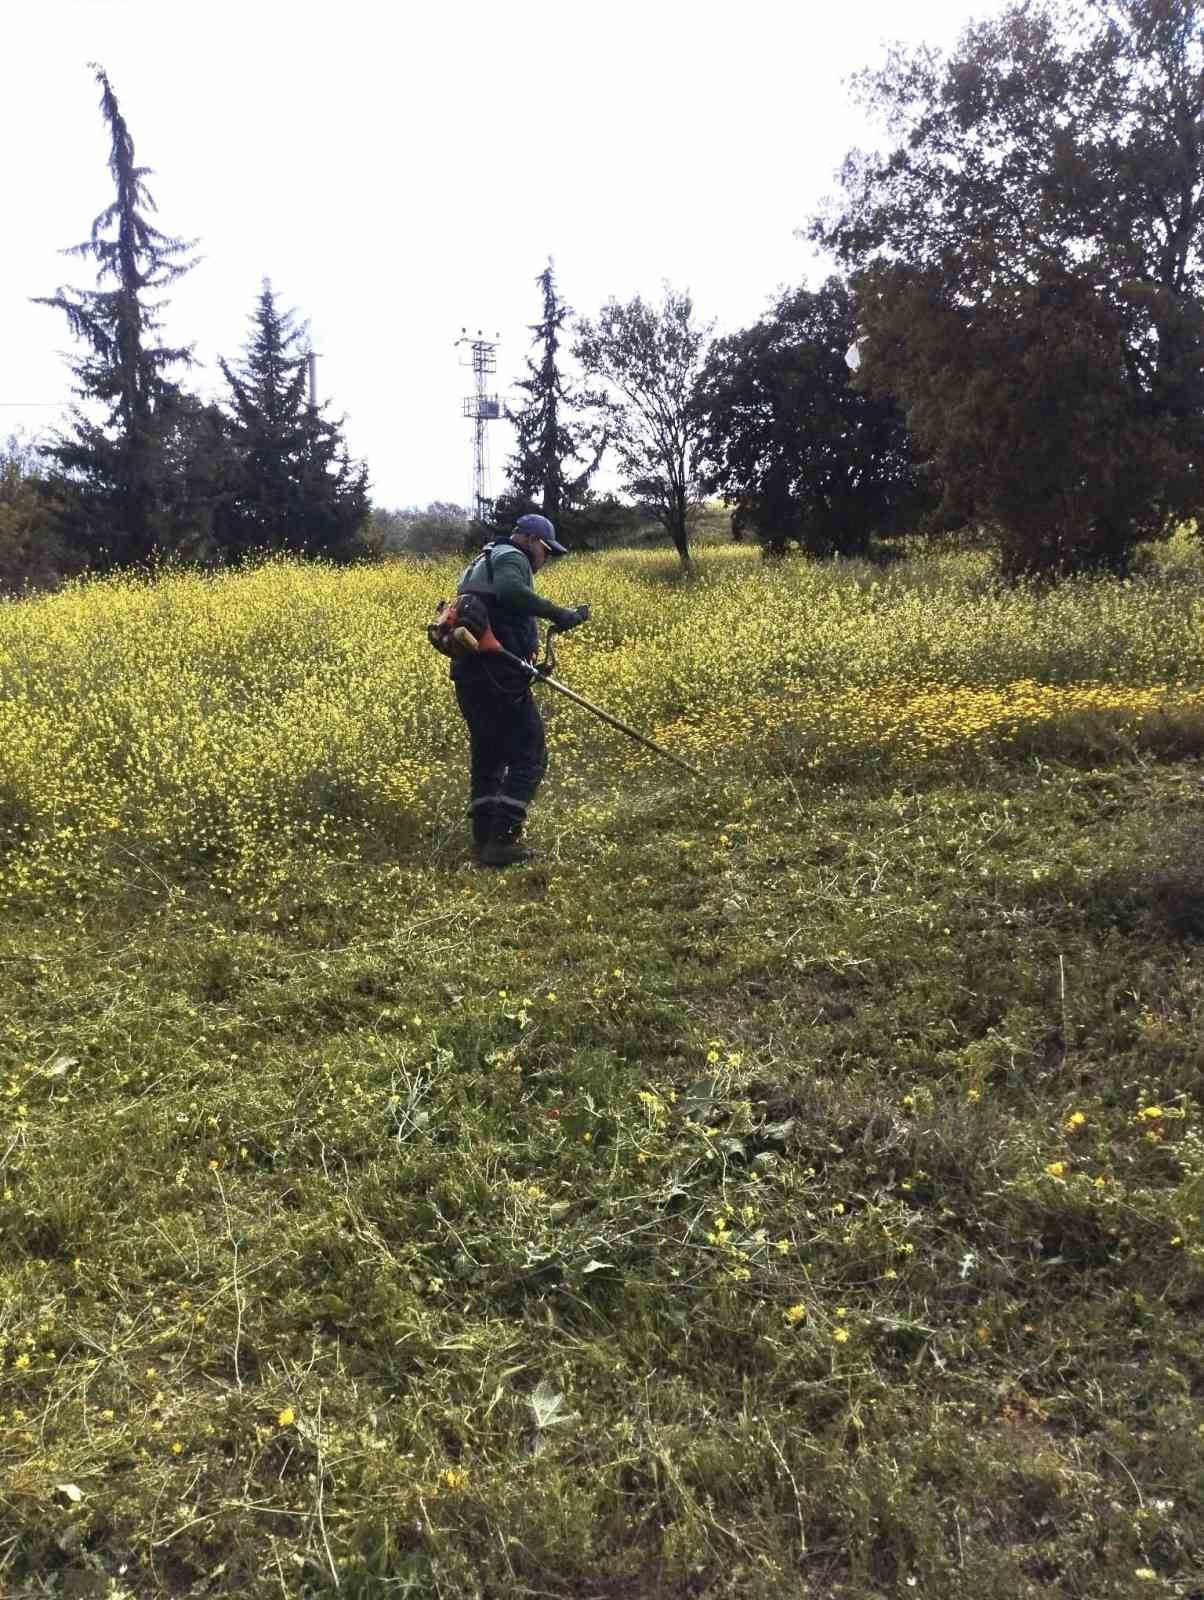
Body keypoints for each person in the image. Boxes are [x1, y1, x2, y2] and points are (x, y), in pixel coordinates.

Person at [451, 513, 590, 866]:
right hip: (499, 675)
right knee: (531, 753)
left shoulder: (483, 560)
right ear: (530, 539)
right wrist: (559, 613)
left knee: (489, 756)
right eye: (546, 550)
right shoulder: (512, 555)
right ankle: (503, 841)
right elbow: (513, 593)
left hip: (470, 675)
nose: (545, 559)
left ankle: (483, 842)